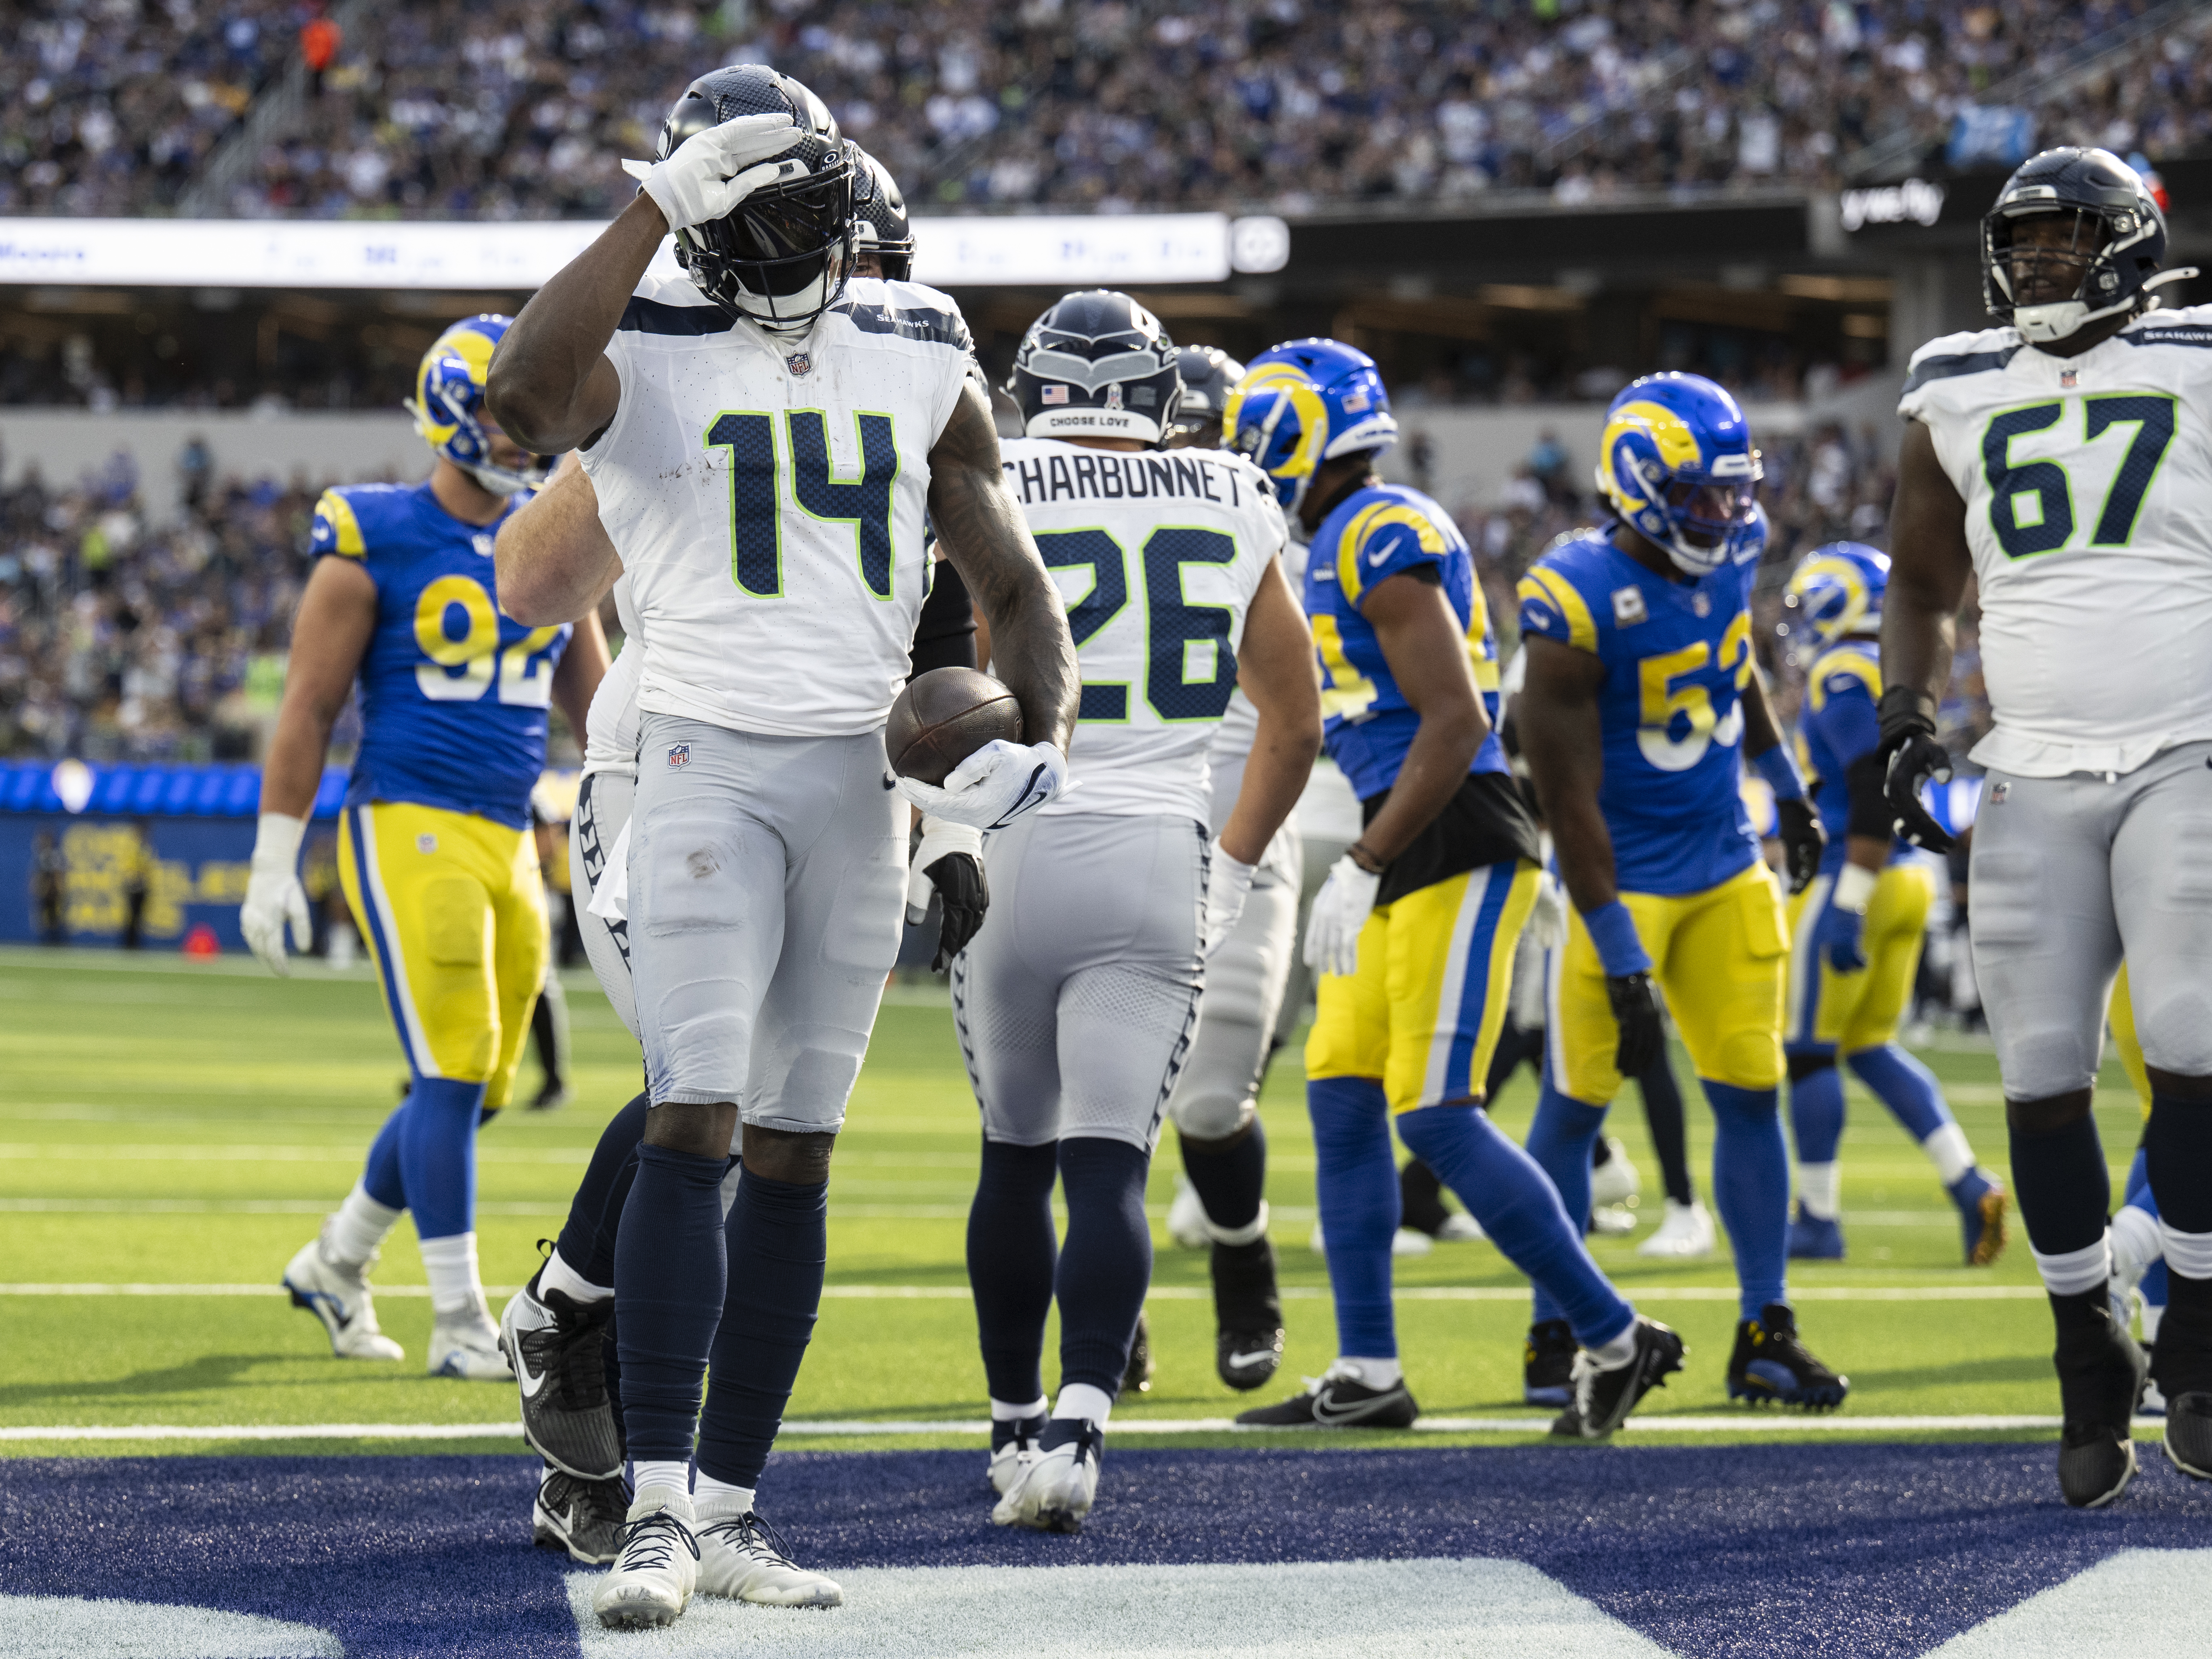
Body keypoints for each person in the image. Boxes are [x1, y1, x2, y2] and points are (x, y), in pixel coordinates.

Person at [487, 68, 1077, 1627]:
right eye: (766, 216)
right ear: (707, 222)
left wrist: (1028, 751)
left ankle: (735, 1510)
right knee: (695, 1103)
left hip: (850, 776)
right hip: (689, 755)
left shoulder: (916, 337)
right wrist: (645, 206)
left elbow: (1006, 579)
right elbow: (514, 403)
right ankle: (658, 1514)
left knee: (797, 1146)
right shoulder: (647, 327)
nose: (811, 241)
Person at [1227, 340, 1681, 1440]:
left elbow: (1460, 719)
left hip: (1452, 835)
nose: (1244, 449)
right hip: (1400, 837)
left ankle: (1618, 1339)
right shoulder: (1332, 535)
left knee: (1434, 1114)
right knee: (1338, 1095)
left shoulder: (1378, 531)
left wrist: (1367, 859)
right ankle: (1368, 1368)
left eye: (1259, 427)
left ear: (1304, 428)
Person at [1879, 146, 2212, 1507]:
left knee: (2192, 1040)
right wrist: (1903, 715)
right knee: (2036, 1071)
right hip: (2028, 766)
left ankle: (2194, 1318)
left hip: (2191, 745)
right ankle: (2085, 1335)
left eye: (2070, 240)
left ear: (2129, 243)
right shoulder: (1955, 384)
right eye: (2024, 242)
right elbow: (1918, 571)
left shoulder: (2197, 351)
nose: (2042, 264)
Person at [965, 296, 1318, 1531]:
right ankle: (1079, 1423)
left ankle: (1010, 1429)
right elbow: (1298, 717)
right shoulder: (1229, 489)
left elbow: (941, 660)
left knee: (1014, 1157)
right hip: (1160, 849)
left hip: (1015, 841)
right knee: (1110, 1158)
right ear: (1159, 396)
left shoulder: (995, 469)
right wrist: (1231, 865)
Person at [251, 314, 606, 1381]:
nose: (528, 442)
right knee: (449, 1066)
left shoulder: (547, 535)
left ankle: (336, 1258)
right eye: (514, 420)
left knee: (487, 1084)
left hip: (508, 831)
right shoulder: (375, 529)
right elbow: (309, 706)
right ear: (458, 415)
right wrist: (275, 857)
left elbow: (599, 703)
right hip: (406, 814)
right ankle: (458, 1319)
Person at [1515, 372, 1847, 1413]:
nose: (1725, 513)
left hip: (1723, 860)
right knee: (1573, 1110)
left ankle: (1764, 1327)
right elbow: (1566, 800)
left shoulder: (1736, 551)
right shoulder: (1569, 596)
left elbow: (1731, 659)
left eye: (1734, 492)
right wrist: (1616, 948)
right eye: (1700, 494)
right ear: (1635, 483)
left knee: (1750, 1091)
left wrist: (1786, 782)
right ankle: (1554, 1327)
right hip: (1619, 877)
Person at [1776, 543, 2006, 1264]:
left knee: (1809, 1055)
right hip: (1909, 878)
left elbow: (1872, 781)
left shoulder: (1842, 670)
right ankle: (1968, 1183)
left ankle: (1816, 1216)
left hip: (1860, 872)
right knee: (1869, 1048)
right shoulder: (1898, 665)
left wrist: (1848, 897)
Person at [1154, 342, 1307, 1390]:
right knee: (1079, 1102)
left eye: (1208, 436)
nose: (1186, 456)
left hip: (1237, 808)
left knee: (1210, 1100)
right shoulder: (1071, 503)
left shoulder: (1271, 524)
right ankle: (1102, 1312)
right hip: (1105, 806)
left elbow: (1297, 717)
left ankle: (1243, 1253)